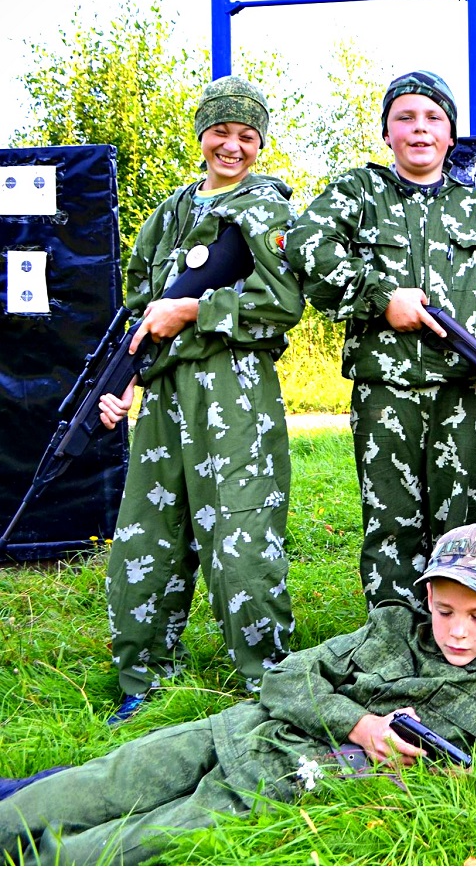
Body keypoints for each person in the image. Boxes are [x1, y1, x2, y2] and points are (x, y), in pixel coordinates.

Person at [0, 525, 476, 865]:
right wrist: (361, 724)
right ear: (428, 596)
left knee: (98, 854)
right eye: (445, 611)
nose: (458, 630)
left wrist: (452, 774)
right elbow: (285, 677)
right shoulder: (390, 627)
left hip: (286, 776)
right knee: (81, 789)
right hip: (236, 729)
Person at [97, 75, 304, 725]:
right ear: (201, 134)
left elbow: (284, 303)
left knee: (240, 534)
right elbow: (140, 303)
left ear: (261, 142)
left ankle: (266, 684)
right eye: (220, 131)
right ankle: (143, 670)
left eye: (247, 135)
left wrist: (196, 307)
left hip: (234, 388)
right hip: (163, 393)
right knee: (146, 535)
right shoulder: (172, 211)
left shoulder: (268, 211)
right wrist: (122, 383)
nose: (232, 145)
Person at [287, 72, 476, 613]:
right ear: (387, 133)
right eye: (406, 118)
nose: (420, 130)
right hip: (385, 391)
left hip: (464, 394)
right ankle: (391, 639)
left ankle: (457, 635)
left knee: (461, 523)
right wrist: (380, 298)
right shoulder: (358, 192)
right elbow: (306, 249)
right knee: (390, 519)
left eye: (433, 119)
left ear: (450, 135)